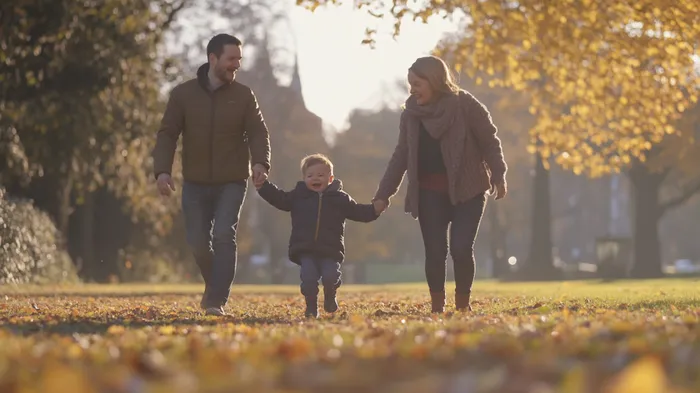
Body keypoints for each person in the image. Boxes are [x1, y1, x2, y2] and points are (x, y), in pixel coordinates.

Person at [372, 56, 508, 313]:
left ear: (434, 80)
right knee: (435, 251)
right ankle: (437, 307)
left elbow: (490, 140)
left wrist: (498, 173)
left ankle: (462, 306)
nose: (412, 89)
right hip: (429, 193)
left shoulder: (465, 105)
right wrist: (383, 195)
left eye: (417, 83)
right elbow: (401, 155)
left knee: (460, 247)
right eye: (410, 84)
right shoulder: (410, 115)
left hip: (468, 189)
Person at [152, 34, 271, 316]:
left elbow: (258, 132)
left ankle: (216, 300)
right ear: (213, 58)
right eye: (232, 59)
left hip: (232, 180)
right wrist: (162, 171)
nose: (236, 65)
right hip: (194, 181)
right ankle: (214, 287)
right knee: (196, 240)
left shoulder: (244, 95)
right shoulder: (183, 94)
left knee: (223, 234)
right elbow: (168, 134)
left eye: (239, 60)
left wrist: (261, 163)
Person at [256, 154, 383, 318]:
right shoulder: (298, 196)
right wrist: (263, 186)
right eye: (310, 176)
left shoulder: (340, 199)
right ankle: (311, 307)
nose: (315, 178)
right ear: (304, 178)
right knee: (308, 278)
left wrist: (375, 210)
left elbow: (359, 212)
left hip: (330, 249)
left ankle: (330, 295)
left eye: (320, 175)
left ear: (330, 178)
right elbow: (280, 198)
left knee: (331, 276)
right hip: (305, 249)